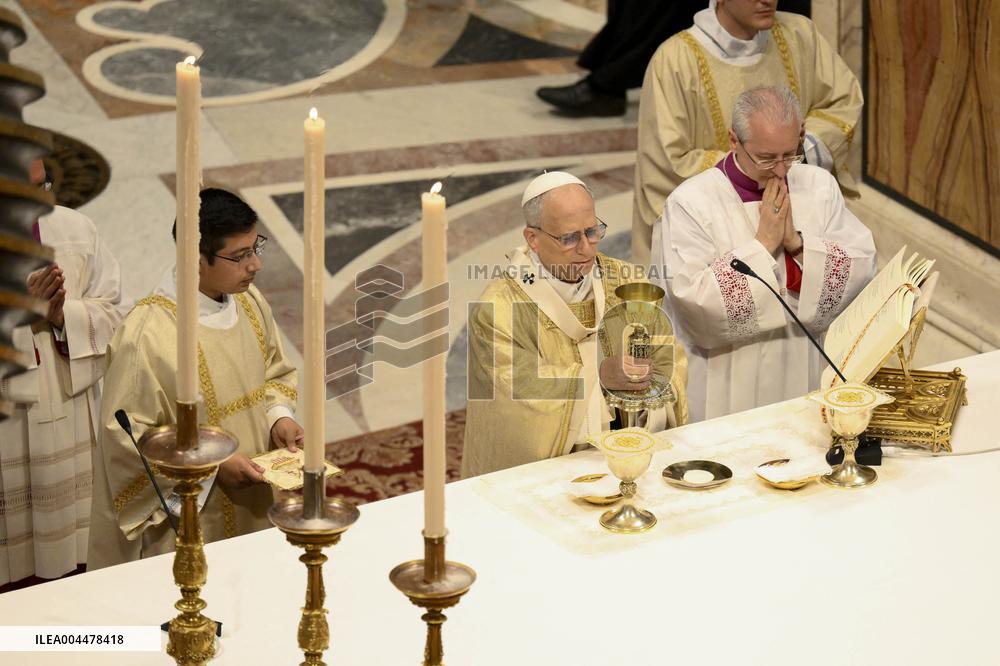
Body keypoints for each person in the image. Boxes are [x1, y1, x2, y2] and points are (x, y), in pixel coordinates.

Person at [88, 188, 301, 570]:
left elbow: (274, 371)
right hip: (191, 518)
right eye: (240, 256)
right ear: (195, 258)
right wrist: (213, 466)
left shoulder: (250, 303)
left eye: (256, 248)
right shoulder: (147, 336)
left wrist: (278, 417)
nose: (255, 266)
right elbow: (129, 438)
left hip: (256, 496)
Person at [652, 85, 876, 422]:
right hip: (728, 377)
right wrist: (762, 246)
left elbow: (861, 266)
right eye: (766, 158)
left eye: (790, 154)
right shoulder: (691, 204)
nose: (781, 170)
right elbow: (691, 303)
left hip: (803, 361)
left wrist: (798, 245)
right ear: (734, 140)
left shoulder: (818, 186)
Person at [462, 172, 687, 478]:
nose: (586, 249)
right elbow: (517, 403)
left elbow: (668, 357)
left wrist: (647, 386)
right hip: (549, 474)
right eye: (569, 238)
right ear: (533, 239)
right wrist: (600, 377)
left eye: (592, 232)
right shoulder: (499, 308)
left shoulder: (625, 281)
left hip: (629, 454)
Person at [632, 0, 862, 266]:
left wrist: (796, 154)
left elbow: (843, 102)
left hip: (797, 220)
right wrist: (748, 173)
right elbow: (667, 161)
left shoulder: (800, 34)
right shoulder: (674, 62)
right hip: (716, 231)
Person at [0, 159, 128, 584]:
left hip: (71, 428)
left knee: (80, 573)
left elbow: (116, 314)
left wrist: (62, 316)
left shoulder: (76, 230)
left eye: (44, 185)